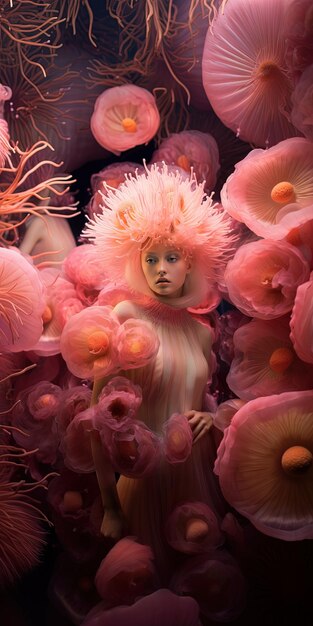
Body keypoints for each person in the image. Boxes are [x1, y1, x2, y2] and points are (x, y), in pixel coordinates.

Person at [84, 164, 233, 580]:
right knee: (148, 578)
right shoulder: (125, 315)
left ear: (191, 263)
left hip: (195, 475)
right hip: (144, 478)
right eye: (151, 258)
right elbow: (98, 419)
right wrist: (111, 506)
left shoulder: (200, 334)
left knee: (193, 574)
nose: (161, 268)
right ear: (137, 261)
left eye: (172, 257)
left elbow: (201, 400)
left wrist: (209, 415)